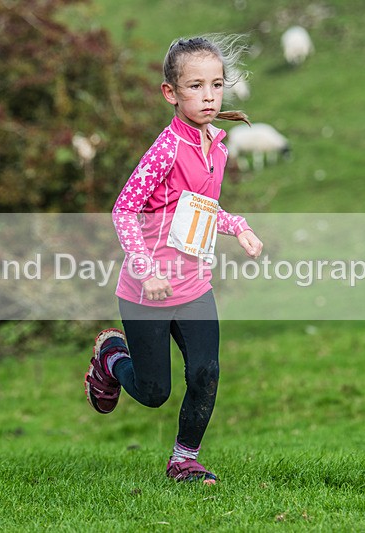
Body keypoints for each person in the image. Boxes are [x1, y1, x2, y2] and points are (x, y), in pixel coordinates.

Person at [84, 34, 264, 484]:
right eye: (195, 86)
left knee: (205, 373)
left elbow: (200, 207)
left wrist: (238, 226)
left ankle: (184, 459)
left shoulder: (217, 146)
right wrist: (146, 272)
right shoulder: (167, 148)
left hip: (194, 286)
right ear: (171, 92)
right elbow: (124, 209)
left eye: (216, 85)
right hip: (146, 291)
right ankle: (111, 356)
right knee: (153, 392)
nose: (209, 96)